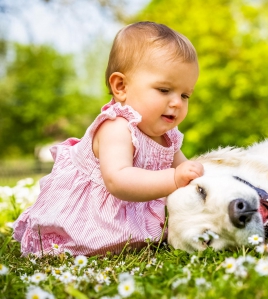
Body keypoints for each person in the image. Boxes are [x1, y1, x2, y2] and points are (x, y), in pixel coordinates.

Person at [13, 21, 204, 256]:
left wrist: (197, 178)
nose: (176, 102)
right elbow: (119, 180)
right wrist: (174, 178)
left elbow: (186, 171)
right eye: (164, 90)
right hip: (90, 217)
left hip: (129, 215)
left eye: (185, 95)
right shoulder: (116, 126)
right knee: (74, 246)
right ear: (121, 86)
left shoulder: (168, 137)